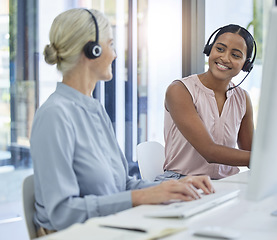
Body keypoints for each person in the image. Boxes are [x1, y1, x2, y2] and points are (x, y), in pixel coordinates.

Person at [30, 8, 215, 235]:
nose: (115, 55)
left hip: (112, 228)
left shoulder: (94, 110)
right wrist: (141, 197)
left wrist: (173, 187)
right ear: (92, 50)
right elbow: (62, 213)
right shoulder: (55, 115)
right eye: (111, 44)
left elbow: (123, 186)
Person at [156, 24, 255, 181]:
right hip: (181, 181)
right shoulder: (180, 90)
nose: (225, 58)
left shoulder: (242, 98)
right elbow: (210, 152)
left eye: (235, 55)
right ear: (210, 50)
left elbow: (251, 153)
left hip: (226, 183)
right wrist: (269, 157)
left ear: (246, 64)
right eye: (220, 49)